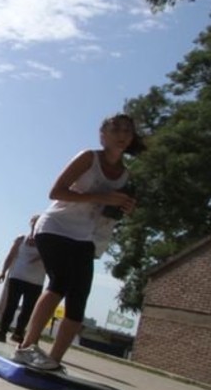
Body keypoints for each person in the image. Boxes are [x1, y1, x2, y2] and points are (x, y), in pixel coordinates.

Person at [14, 113, 144, 371]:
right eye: (115, 129)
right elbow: (56, 192)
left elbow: (108, 211)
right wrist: (102, 197)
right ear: (102, 135)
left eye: (127, 131)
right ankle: (26, 347)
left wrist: (124, 207)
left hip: (85, 237)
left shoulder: (126, 176)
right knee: (59, 283)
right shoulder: (89, 157)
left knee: (79, 298)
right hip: (55, 227)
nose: (122, 135)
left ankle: (54, 361)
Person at [0, 215, 45, 343]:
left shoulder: (47, 242)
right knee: (11, 305)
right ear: (30, 223)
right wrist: (3, 272)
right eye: (34, 222)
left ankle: (18, 333)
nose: (36, 224)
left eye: (39, 222)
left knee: (28, 309)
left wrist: (40, 256)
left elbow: (50, 256)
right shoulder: (21, 239)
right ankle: (2, 332)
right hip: (17, 276)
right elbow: (11, 255)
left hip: (35, 281)